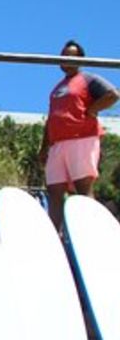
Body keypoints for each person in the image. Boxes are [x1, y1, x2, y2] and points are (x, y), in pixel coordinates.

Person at [41, 40, 120, 230]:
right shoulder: (57, 88)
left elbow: (113, 94)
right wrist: (44, 147)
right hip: (58, 143)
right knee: (54, 189)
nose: (66, 58)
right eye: (63, 54)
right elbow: (51, 118)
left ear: (80, 59)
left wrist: (91, 110)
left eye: (71, 55)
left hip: (81, 139)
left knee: (82, 187)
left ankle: (88, 231)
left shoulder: (87, 79)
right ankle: (56, 233)